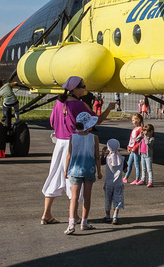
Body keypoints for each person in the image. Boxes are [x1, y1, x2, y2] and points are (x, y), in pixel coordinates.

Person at [41, 76, 113, 226]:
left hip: (59, 143)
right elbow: (96, 120)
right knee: (75, 179)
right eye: (83, 86)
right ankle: (74, 217)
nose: (84, 89)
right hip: (74, 143)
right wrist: (109, 108)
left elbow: (52, 122)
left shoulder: (58, 103)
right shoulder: (80, 105)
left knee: (54, 176)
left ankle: (46, 214)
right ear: (74, 89)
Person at [64, 111, 101, 235]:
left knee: (74, 197)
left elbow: (69, 155)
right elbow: (97, 156)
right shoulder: (94, 138)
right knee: (87, 197)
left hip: (74, 170)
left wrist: (66, 170)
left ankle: (71, 223)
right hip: (89, 169)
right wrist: (99, 171)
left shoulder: (72, 137)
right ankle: (84, 221)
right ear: (89, 125)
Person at [103, 138, 125, 224]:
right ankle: (115, 216)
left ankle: (108, 216)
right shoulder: (122, 159)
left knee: (108, 199)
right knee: (117, 200)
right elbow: (125, 169)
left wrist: (103, 153)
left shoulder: (107, 158)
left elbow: (101, 162)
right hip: (118, 183)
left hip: (108, 183)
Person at [124, 113, 144, 184]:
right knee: (129, 163)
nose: (132, 122)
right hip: (132, 149)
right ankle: (126, 177)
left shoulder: (141, 129)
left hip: (136, 150)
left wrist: (135, 148)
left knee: (136, 164)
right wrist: (129, 147)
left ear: (138, 120)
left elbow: (139, 141)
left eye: (133, 120)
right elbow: (131, 139)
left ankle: (137, 178)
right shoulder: (134, 129)